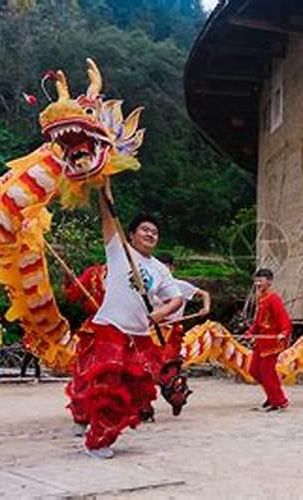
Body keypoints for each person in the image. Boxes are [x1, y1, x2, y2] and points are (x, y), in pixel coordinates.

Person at [66, 182, 186, 459]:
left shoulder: (159, 269)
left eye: (154, 231)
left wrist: (158, 314)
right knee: (107, 386)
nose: (150, 234)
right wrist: (103, 185)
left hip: (140, 336)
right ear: (131, 235)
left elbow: (176, 299)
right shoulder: (119, 251)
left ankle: (97, 424)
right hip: (111, 327)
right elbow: (108, 214)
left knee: (135, 391)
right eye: (145, 229)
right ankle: (97, 440)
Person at [153, 254, 211, 418]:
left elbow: (204, 294)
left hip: (172, 334)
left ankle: (176, 398)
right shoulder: (149, 287)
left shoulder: (180, 286)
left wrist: (205, 308)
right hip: (152, 332)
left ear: (172, 268)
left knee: (170, 370)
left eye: (166, 268)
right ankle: (144, 407)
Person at [244, 268, 291, 412]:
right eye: (256, 280)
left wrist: (284, 333)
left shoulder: (274, 298)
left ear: (269, 282)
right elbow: (259, 321)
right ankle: (272, 396)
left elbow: (284, 319)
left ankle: (280, 401)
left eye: (261, 280)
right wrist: (250, 332)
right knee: (254, 370)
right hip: (261, 341)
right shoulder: (261, 298)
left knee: (267, 372)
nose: (258, 283)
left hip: (272, 342)